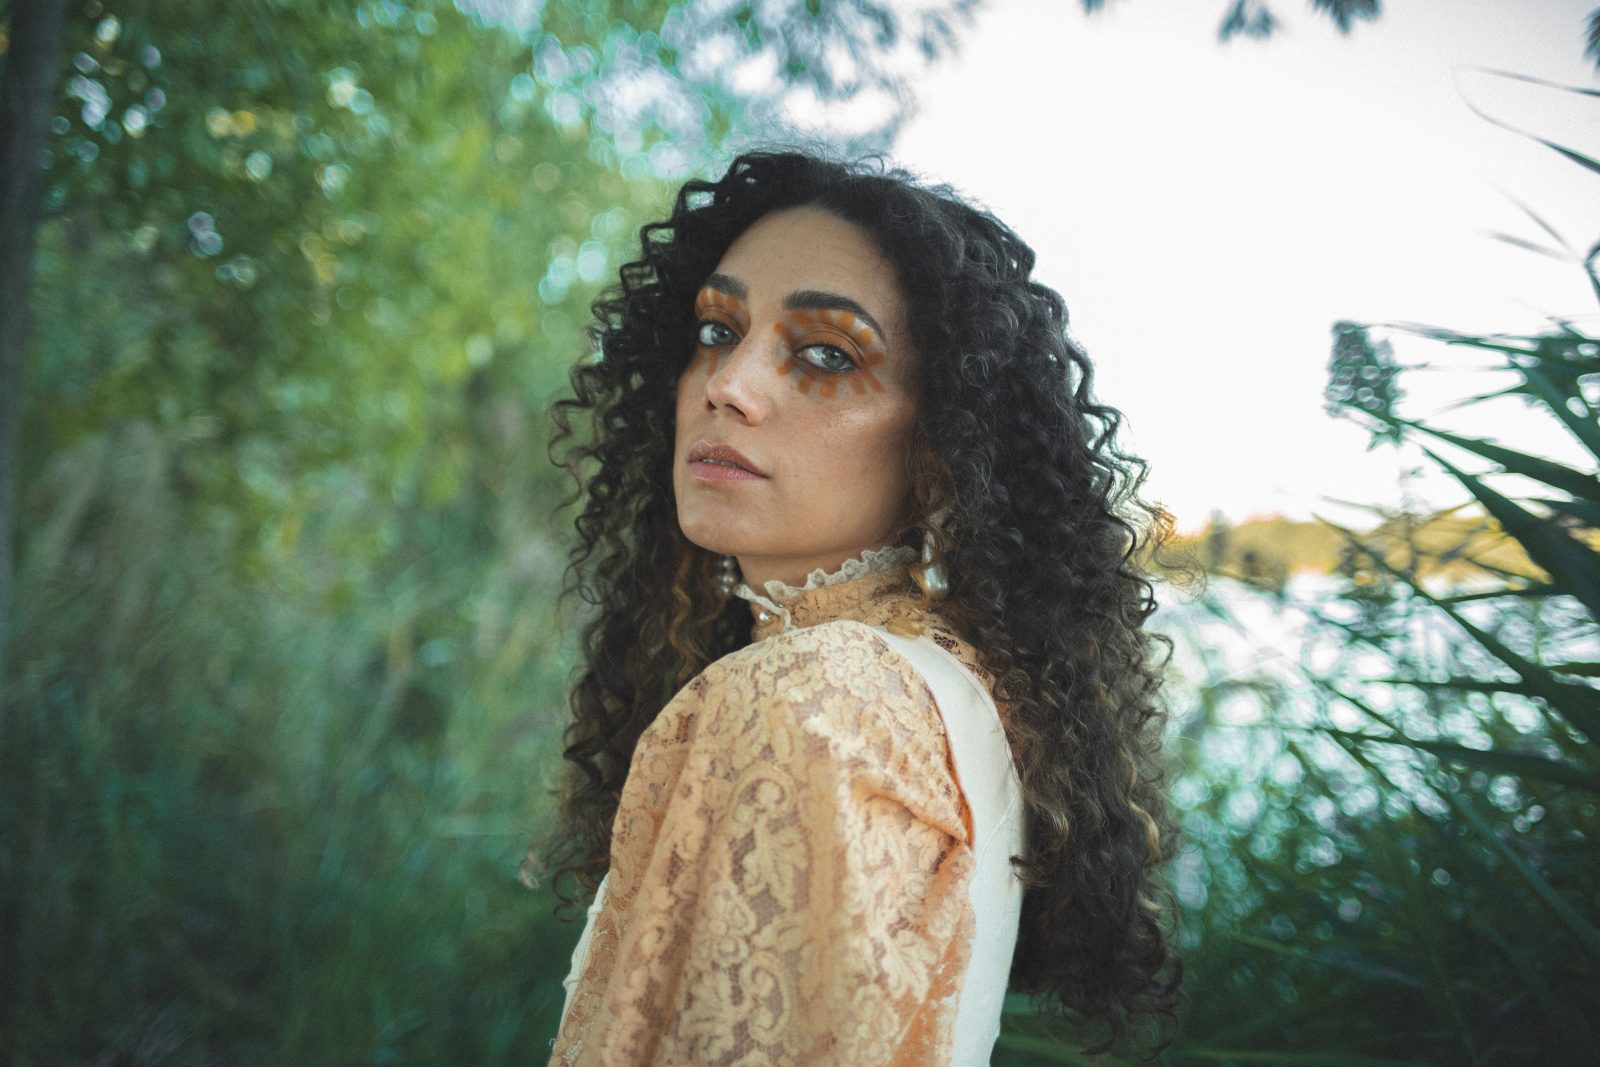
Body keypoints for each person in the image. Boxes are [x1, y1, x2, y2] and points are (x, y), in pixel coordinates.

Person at [528, 150, 1186, 1065]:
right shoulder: (948, 688)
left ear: (943, 442)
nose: (728, 384)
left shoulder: (807, 699)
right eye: (717, 330)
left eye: (827, 354)